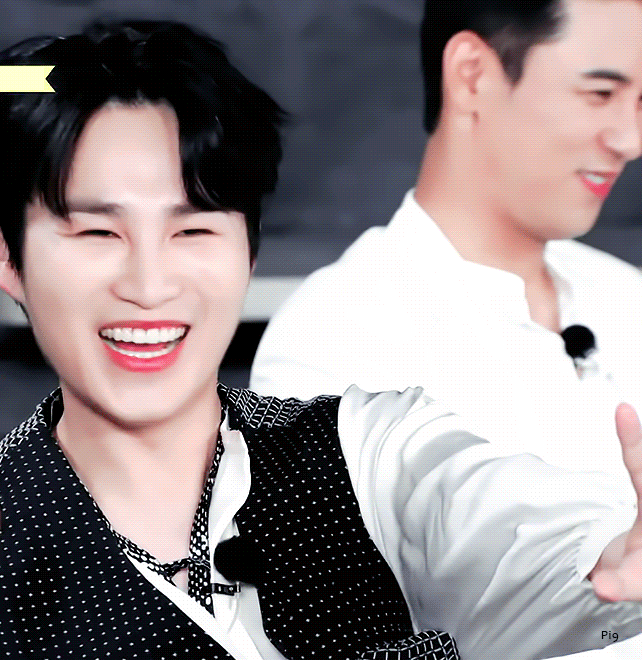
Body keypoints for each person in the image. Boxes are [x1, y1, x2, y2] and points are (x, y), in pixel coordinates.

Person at [0, 17, 642, 660]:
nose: (150, 284)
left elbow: (525, 540)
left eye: (193, 230)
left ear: (250, 252)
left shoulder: (372, 451)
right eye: (96, 233)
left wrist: (610, 556)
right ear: (4, 255)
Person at [250, 4, 642, 657]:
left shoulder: (628, 295)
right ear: (471, 75)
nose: (630, 139)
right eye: (600, 93)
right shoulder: (331, 345)